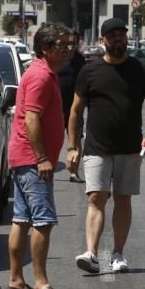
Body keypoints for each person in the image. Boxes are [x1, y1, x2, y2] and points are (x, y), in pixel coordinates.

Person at [67, 18, 145, 275]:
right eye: (112, 35)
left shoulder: (141, 69)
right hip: (97, 147)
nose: (118, 38)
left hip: (130, 148)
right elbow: (75, 112)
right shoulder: (89, 71)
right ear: (102, 41)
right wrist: (73, 147)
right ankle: (91, 253)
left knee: (122, 199)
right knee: (96, 198)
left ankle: (118, 253)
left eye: (122, 34)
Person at [5, 22, 73, 289]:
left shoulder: (44, 73)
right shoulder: (41, 76)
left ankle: (16, 281)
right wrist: (42, 157)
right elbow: (31, 118)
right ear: (45, 49)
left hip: (24, 158)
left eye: (70, 44)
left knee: (21, 219)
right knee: (42, 221)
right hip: (33, 161)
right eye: (62, 45)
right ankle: (40, 283)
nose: (68, 50)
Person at [56, 31, 87, 182]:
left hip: (76, 108)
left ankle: (73, 171)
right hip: (56, 107)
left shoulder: (81, 61)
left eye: (73, 43)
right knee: (54, 138)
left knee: (75, 140)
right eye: (67, 43)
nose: (70, 46)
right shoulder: (57, 59)